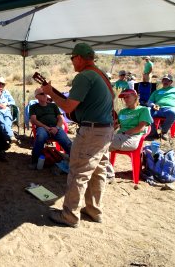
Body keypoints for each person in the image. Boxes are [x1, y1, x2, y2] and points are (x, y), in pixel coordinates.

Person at [42, 43, 114, 228]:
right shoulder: (100, 75)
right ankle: (93, 210)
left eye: (72, 58)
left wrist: (51, 93)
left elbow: (67, 107)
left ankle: (69, 216)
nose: (72, 61)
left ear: (80, 58)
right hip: (105, 130)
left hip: (91, 132)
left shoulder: (84, 76)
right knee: (98, 172)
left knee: (78, 172)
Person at [105, 89, 152, 181]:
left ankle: (108, 174)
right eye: (124, 98)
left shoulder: (143, 110)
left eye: (127, 97)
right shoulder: (122, 111)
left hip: (132, 138)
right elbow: (116, 125)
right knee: (98, 143)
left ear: (135, 97)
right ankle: (105, 171)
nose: (125, 99)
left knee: (100, 145)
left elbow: (141, 128)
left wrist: (124, 133)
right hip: (120, 137)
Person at [29, 87, 72, 169]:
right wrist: (46, 127)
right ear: (36, 97)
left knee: (66, 141)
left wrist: (57, 128)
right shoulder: (34, 107)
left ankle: (75, 161)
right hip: (42, 127)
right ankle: (35, 161)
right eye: (42, 94)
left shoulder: (53, 106)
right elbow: (33, 120)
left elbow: (61, 119)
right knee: (40, 137)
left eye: (45, 93)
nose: (45, 95)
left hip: (55, 127)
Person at [147, 74, 175, 140]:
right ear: (162, 81)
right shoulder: (156, 91)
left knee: (173, 112)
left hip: (170, 109)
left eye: (168, 80)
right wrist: (153, 105)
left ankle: (164, 132)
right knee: (147, 111)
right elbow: (149, 102)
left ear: (171, 82)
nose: (165, 82)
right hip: (157, 109)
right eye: (164, 80)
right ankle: (153, 133)